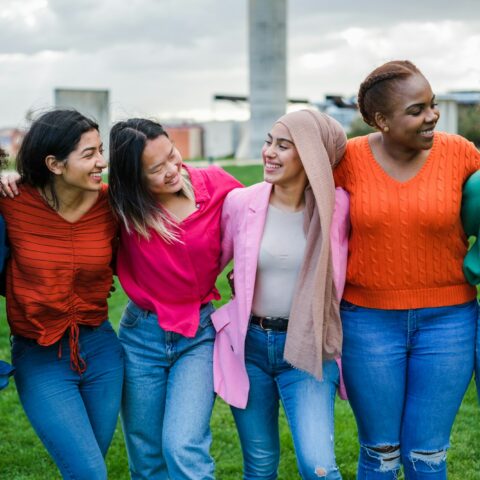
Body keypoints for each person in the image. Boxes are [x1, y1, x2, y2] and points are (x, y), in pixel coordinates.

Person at [334, 60, 480, 479]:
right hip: (368, 323)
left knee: (427, 455)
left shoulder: (459, 152)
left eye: (431, 105)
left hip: (449, 323)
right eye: (416, 110)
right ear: (381, 120)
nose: (432, 116)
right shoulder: (350, 158)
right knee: (380, 455)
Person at [212, 109, 349, 480]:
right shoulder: (242, 203)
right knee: (259, 465)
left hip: (308, 348)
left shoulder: (338, 208)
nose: (269, 152)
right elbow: (211, 262)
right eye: (269, 142)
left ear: (311, 155)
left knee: (318, 466)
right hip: (251, 346)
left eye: (283, 145)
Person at [108, 118, 242, 480]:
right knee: (146, 453)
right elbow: (59, 196)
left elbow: (264, 211)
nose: (172, 170)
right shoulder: (120, 207)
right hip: (141, 336)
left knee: (183, 444)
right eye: (156, 169)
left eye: (172, 155)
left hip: (198, 334)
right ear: (132, 178)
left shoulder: (214, 185)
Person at [0, 109, 124, 479]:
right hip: (40, 355)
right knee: (90, 473)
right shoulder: (11, 202)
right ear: (53, 163)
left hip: (102, 349)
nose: (102, 161)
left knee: (88, 468)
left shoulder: (112, 205)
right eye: (89, 154)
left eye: (101, 150)